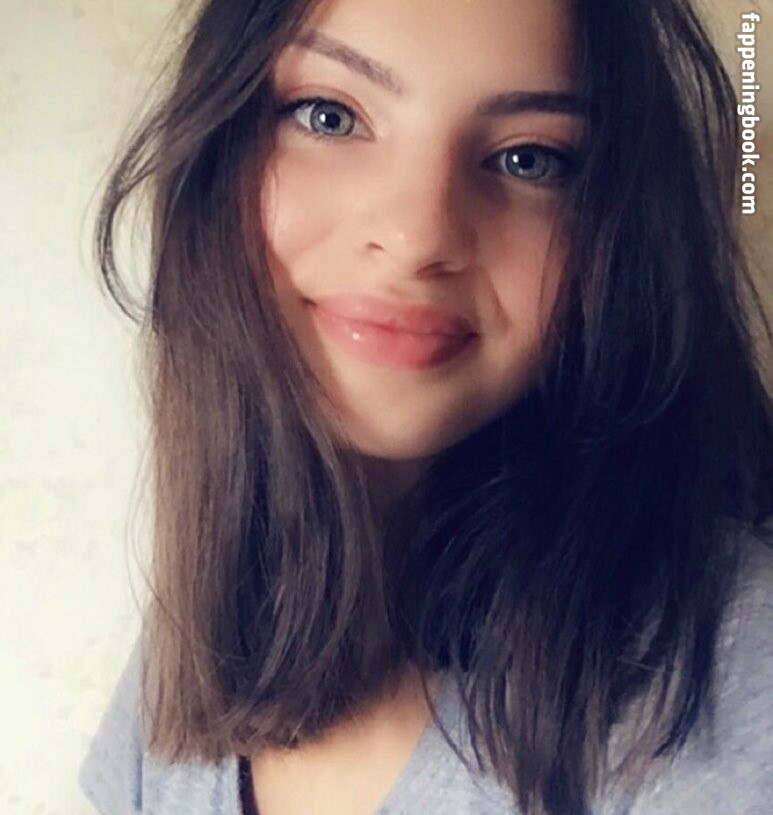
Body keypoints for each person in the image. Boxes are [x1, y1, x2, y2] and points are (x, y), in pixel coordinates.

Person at [78, 0, 773, 813]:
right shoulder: (191, 638)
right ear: (212, 150)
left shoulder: (726, 676)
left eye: (528, 159)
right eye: (329, 116)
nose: (418, 238)